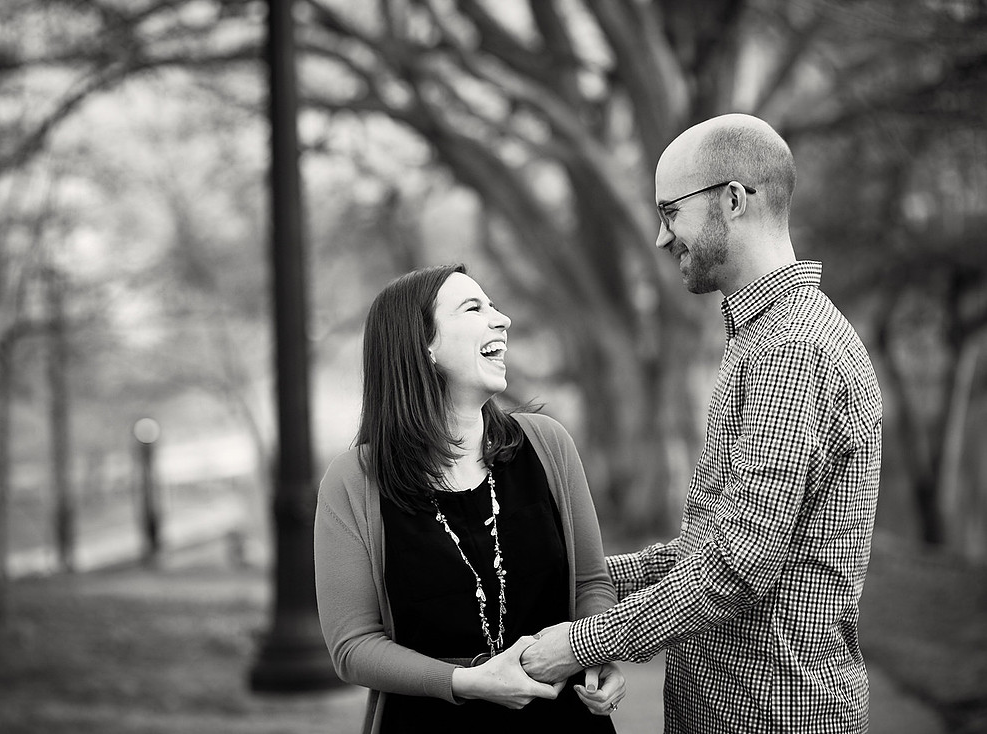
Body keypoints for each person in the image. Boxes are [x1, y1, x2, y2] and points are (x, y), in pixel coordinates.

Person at [522, 113, 884, 734]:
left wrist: (580, 644)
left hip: (774, 715)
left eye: (670, 213)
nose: (662, 238)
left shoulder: (792, 350)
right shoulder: (762, 340)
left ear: (733, 201)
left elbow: (734, 570)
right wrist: (579, 577)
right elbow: (709, 547)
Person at [314, 264, 625, 733]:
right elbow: (353, 646)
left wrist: (598, 654)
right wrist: (466, 681)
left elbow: (590, 584)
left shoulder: (547, 444)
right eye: (473, 308)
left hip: (564, 717)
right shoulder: (354, 481)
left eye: (493, 305)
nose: (502, 320)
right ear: (424, 346)